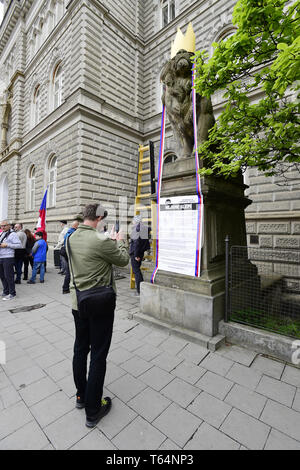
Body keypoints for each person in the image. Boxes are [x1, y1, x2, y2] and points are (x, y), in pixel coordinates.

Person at [67, 203, 129, 428]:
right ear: (99, 219)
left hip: (78, 302)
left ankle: (81, 396)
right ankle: (93, 410)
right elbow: (123, 260)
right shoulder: (100, 240)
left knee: (80, 348)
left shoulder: (70, 237)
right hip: (99, 305)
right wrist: (119, 240)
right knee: (99, 354)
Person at [0, 220, 22, 300]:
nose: (2, 227)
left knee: (8, 276)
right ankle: (6, 291)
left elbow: (19, 245)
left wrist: (7, 245)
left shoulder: (13, 234)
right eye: (1, 226)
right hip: (1, 257)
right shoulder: (2, 233)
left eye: (4, 225)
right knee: (2, 276)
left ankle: (12, 293)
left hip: (8, 257)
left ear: (9, 225)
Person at [129, 215, 150, 295]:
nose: (132, 222)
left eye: (133, 221)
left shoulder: (136, 229)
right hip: (140, 252)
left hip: (136, 253)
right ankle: (141, 288)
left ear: (136, 221)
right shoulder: (144, 228)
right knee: (137, 270)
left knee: (137, 271)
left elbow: (136, 243)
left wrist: (136, 255)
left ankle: (140, 290)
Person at [61, 218, 82, 294]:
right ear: (76, 226)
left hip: (66, 253)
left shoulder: (68, 232)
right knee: (70, 271)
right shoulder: (74, 233)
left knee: (69, 270)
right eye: (78, 226)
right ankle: (66, 288)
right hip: (70, 254)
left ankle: (67, 287)